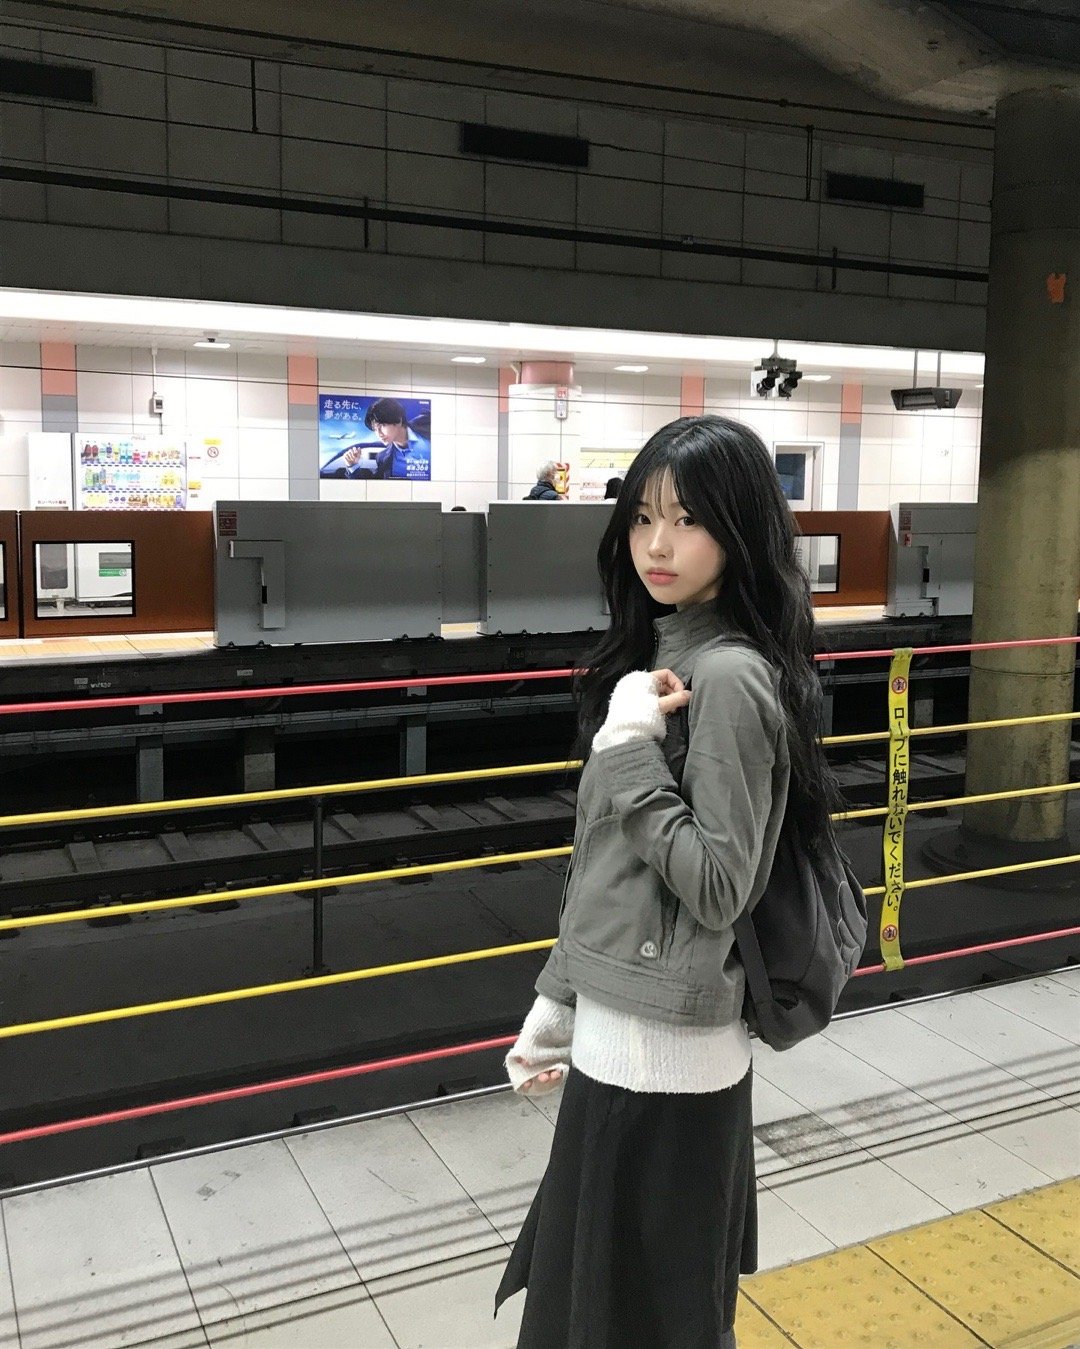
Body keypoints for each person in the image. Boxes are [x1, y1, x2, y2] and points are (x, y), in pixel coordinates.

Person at [494, 415, 839, 1349]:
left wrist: (625, 754)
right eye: (643, 516)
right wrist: (558, 1001)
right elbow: (611, 870)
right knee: (599, 1315)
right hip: (624, 1046)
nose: (656, 543)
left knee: (628, 1322)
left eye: (687, 519)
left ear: (739, 529)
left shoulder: (728, 677)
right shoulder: (667, 657)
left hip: (667, 1068)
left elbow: (720, 884)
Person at [321, 397, 432, 479]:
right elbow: (373, 489)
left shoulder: (427, 425)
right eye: (375, 429)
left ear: (398, 420)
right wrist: (353, 466)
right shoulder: (382, 458)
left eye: (382, 425)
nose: (378, 433)